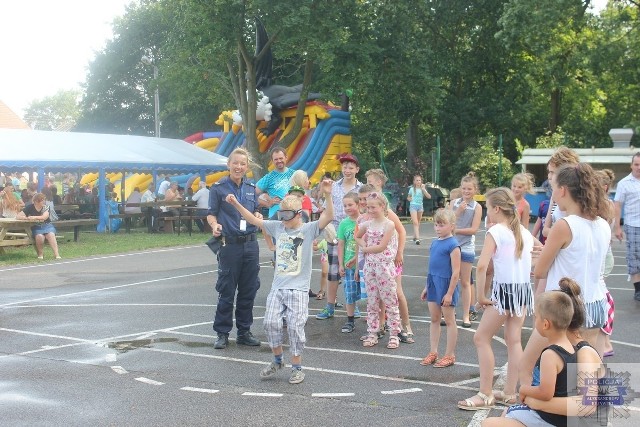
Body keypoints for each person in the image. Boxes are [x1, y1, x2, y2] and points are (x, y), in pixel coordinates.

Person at [225, 179, 334, 384]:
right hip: (278, 287)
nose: (282, 219)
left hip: (299, 289)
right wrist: (236, 204)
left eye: (286, 216)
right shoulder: (278, 228)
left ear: (298, 214)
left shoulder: (308, 229)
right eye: (280, 215)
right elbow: (253, 220)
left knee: (294, 327)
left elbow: (329, 216)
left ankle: (297, 367)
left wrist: (327, 194)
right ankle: (277, 360)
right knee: (270, 323)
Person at [522, 162, 611, 387]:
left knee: (528, 363)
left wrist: (538, 257)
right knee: (583, 373)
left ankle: (531, 406)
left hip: (563, 307)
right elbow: (582, 258)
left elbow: (540, 270)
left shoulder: (564, 225)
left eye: (554, 189)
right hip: (595, 303)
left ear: (562, 190)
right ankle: (581, 415)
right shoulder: (603, 224)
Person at [458, 188, 537, 410]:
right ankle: (511, 392)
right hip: (522, 292)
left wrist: (482, 295)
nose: (487, 215)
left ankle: (485, 394)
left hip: (505, 292)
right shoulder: (523, 231)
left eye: (488, 209)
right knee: (514, 341)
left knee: (481, 338)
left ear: (496, 209)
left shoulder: (496, 231)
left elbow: (482, 265)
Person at [486, 288, 578, 427]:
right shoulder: (572, 348)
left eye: (536, 317)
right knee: (509, 412)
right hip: (560, 418)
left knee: (488, 423)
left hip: (548, 419)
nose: (535, 321)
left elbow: (545, 393)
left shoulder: (550, 354)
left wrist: (524, 389)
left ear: (546, 324)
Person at [207, 148, 262, 350]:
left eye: (243, 164)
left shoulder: (251, 187)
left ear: (247, 167)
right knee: (226, 289)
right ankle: (222, 333)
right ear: (229, 164)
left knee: (249, 289)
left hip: (250, 244)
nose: (239, 167)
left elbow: (256, 210)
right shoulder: (218, 188)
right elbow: (211, 213)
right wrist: (214, 225)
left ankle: (244, 331)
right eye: (235, 163)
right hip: (229, 246)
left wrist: (259, 215)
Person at [364, 169, 414, 343]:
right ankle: (378, 329)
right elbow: (359, 235)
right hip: (372, 263)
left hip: (389, 260)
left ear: (378, 183)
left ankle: (404, 328)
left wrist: (399, 252)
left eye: (370, 182)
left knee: (395, 295)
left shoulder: (387, 214)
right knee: (375, 300)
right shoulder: (368, 216)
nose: (368, 184)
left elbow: (401, 231)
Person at [316, 153, 362, 320]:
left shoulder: (362, 189)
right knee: (334, 271)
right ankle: (330, 306)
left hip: (356, 235)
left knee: (354, 272)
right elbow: (325, 210)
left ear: (357, 169)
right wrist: (320, 232)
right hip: (335, 234)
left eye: (351, 167)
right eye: (344, 167)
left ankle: (353, 305)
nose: (347, 170)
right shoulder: (333, 186)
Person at [355, 191, 401, 349]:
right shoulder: (367, 224)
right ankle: (373, 332)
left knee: (390, 301)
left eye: (373, 207)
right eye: (368, 207)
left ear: (382, 206)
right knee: (372, 301)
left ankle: (394, 333)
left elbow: (382, 246)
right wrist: (363, 246)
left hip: (385, 268)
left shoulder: (389, 224)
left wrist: (367, 249)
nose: (370, 210)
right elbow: (357, 236)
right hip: (370, 267)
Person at [420, 208, 460, 368]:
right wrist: (426, 287)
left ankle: (450, 355)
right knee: (434, 319)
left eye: (441, 225)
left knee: (449, 320)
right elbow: (432, 268)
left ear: (451, 225)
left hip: (446, 285)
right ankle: (433, 351)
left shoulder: (453, 245)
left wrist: (449, 293)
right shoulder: (435, 242)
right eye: (436, 225)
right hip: (433, 283)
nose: (437, 228)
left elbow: (456, 272)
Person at [452, 172, 482, 328]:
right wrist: (458, 213)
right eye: (464, 188)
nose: (466, 191)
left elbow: (474, 229)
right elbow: (447, 223)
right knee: (451, 280)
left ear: (475, 190)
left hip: (466, 247)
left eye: (469, 189)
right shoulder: (454, 203)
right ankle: (449, 313)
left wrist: (456, 230)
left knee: (465, 281)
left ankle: (466, 316)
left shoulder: (477, 207)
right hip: (452, 246)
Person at [613, 152, 640, 301]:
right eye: (636, 164)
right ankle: (638, 290)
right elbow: (617, 205)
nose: (639, 167)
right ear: (631, 165)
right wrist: (617, 227)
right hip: (633, 225)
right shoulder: (624, 183)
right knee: (635, 258)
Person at [338, 192, 361, 334]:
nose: (347, 208)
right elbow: (341, 244)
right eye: (345, 205)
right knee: (349, 293)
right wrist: (341, 264)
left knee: (371, 294)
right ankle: (350, 320)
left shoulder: (364, 220)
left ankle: (377, 321)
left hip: (364, 265)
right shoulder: (344, 223)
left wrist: (357, 258)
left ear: (358, 204)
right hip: (348, 266)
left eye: (350, 204)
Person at [16, 193, 61, 260]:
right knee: (39, 236)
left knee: (51, 234)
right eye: (42, 200)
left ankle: (56, 254)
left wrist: (33, 217)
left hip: (47, 225)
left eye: (44, 200)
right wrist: (26, 218)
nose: (44, 201)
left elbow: (44, 217)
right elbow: (18, 216)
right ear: (36, 201)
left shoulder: (46, 207)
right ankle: (40, 254)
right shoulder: (29, 207)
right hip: (36, 226)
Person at [256, 147, 296, 218]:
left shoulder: (294, 174)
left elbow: (304, 194)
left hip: (293, 215)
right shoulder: (269, 177)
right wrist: (268, 203)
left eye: (281, 158)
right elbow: (252, 193)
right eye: (276, 159)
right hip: (275, 218)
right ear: (272, 161)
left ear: (286, 157)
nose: (279, 161)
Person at [407, 174, 432, 244]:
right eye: (417, 180)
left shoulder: (422, 189)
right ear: (414, 181)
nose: (418, 181)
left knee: (418, 222)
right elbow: (408, 197)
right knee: (415, 222)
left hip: (420, 206)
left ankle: (415, 236)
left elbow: (429, 196)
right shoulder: (411, 189)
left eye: (419, 180)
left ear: (421, 181)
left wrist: (424, 189)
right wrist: (409, 199)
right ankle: (417, 239)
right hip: (413, 206)